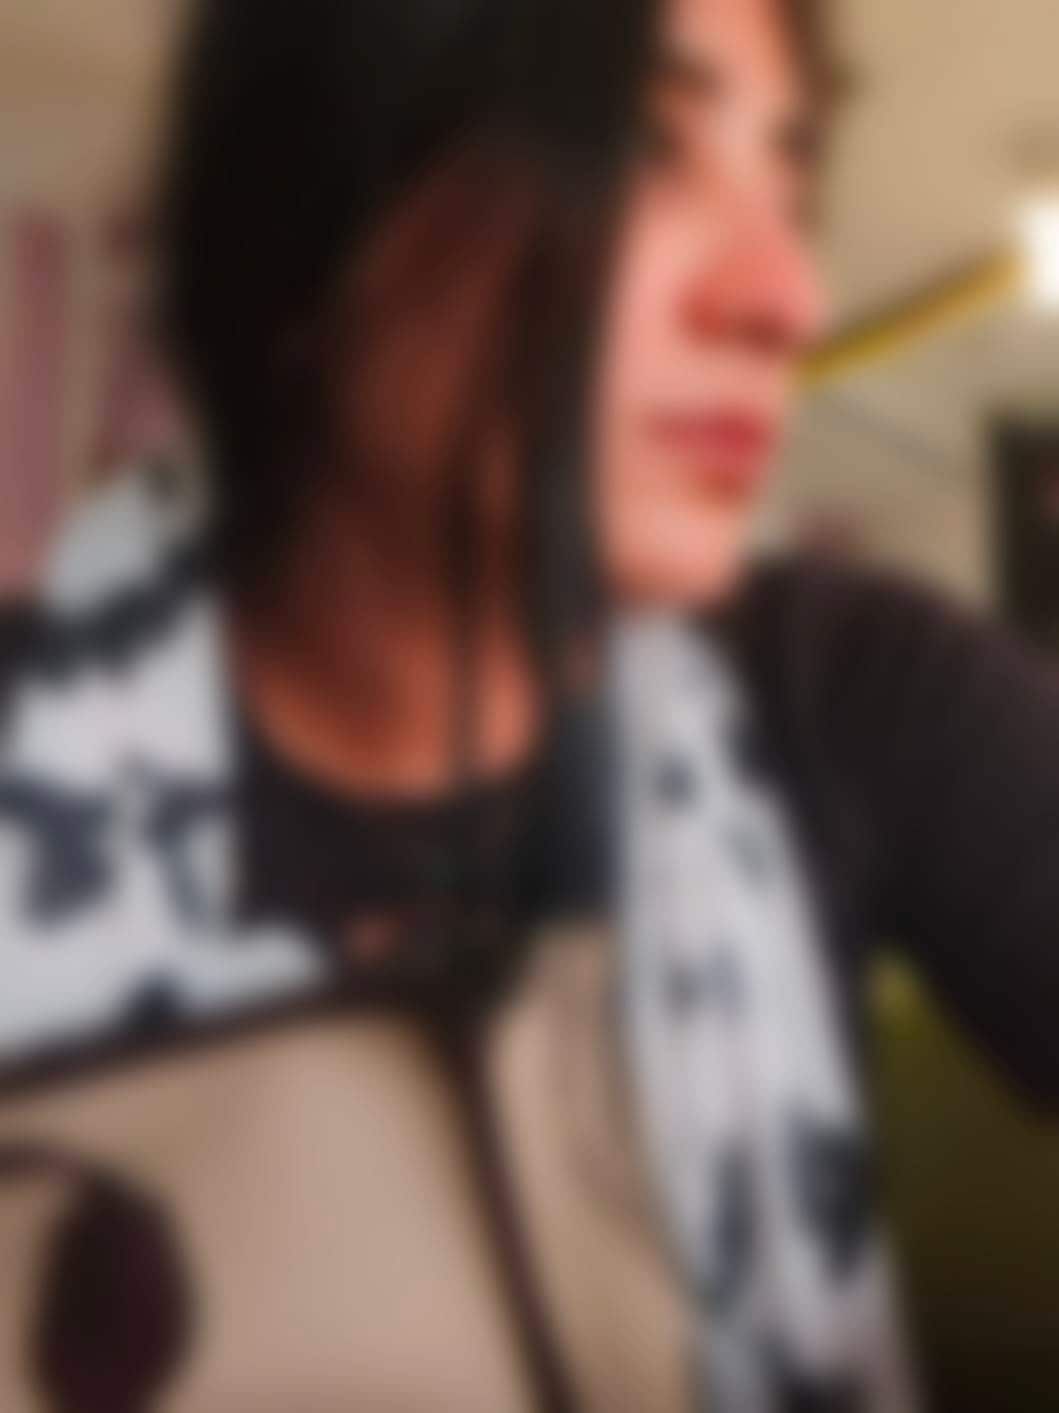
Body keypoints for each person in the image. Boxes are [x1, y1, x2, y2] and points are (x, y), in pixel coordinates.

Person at [0, 0, 1058, 1410]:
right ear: (314, 210)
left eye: (788, 182)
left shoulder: (857, 694)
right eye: (641, 147)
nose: (786, 296)